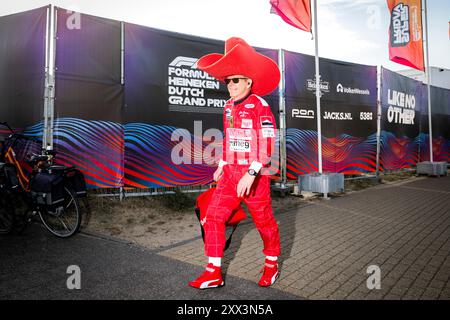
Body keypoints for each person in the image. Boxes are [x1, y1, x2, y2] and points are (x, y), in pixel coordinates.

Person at [189, 37, 281, 289]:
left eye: (236, 80)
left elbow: (267, 144)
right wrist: (222, 163)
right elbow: (229, 138)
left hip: (255, 176)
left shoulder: (260, 106)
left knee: (264, 222)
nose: (230, 85)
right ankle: (213, 272)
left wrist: (251, 172)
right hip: (230, 173)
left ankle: (271, 264)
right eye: (227, 81)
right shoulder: (228, 106)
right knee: (213, 216)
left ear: (249, 82)